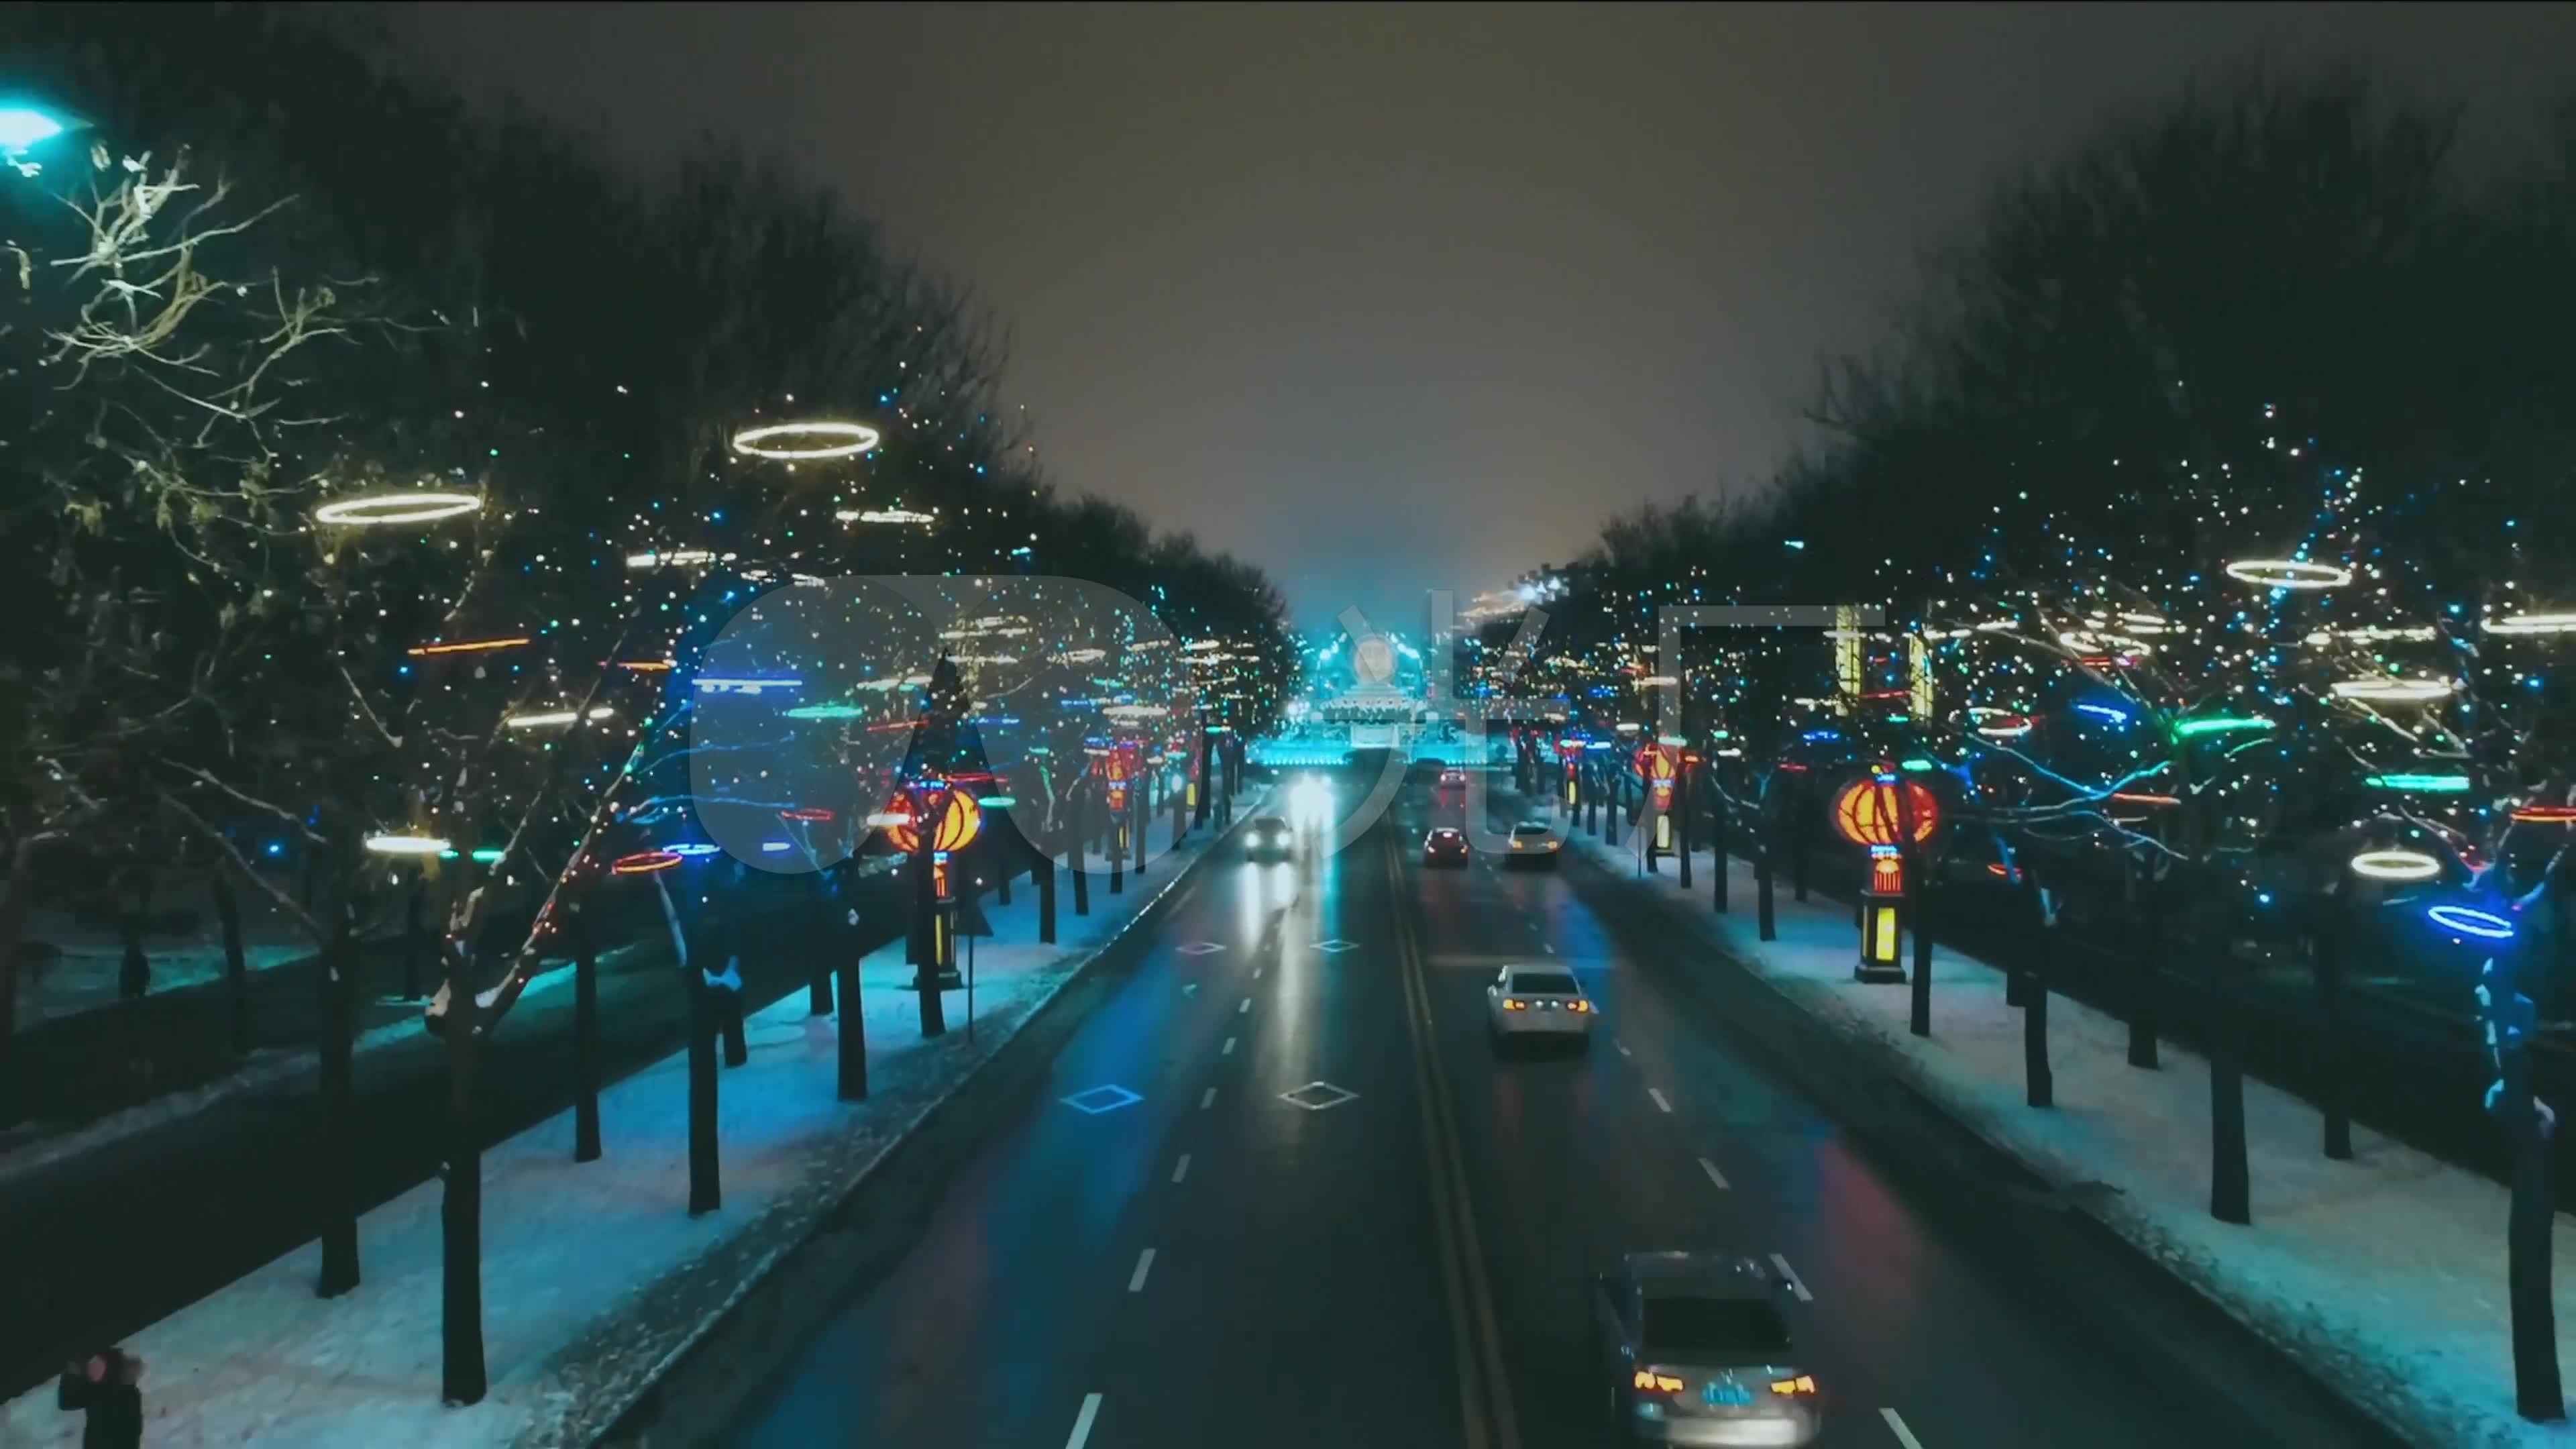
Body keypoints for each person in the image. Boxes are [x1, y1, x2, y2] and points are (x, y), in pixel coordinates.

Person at [58, 1347, 144, 1448]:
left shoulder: (129, 1394)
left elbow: (66, 1402)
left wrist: (72, 1374)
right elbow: (66, 1402)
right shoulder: (128, 1393)